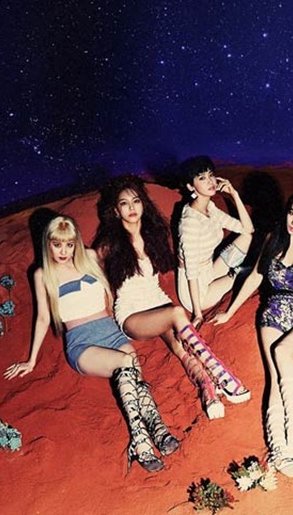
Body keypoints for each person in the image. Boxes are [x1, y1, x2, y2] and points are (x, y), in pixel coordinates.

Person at [4, 215, 178, 472]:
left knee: (134, 371)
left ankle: (158, 429)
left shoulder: (90, 257)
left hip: (111, 332)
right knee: (126, 362)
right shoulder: (43, 275)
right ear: (47, 244)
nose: (63, 251)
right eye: (57, 244)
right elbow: (42, 318)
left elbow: (114, 291)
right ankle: (140, 441)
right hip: (81, 342)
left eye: (69, 244)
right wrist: (31, 360)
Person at [93, 175, 249, 421]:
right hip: (132, 314)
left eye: (136, 201)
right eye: (124, 203)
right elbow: (98, 279)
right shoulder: (109, 245)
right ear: (115, 210)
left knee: (181, 348)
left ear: (143, 204)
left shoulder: (153, 234)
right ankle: (222, 374)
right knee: (177, 313)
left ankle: (208, 390)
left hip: (158, 302)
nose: (131, 207)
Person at [212, 188, 293, 477]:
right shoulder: (273, 238)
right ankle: (279, 446)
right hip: (275, 311)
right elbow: (256, 276)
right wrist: (230, 311)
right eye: (292, 213)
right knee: (275, 375)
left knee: (283, 351)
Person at [177, 156, 254, 328]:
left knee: (247, 238)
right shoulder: (190, 222)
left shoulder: (209, 208)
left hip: (209, 269)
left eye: (211, 175)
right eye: (201, 178)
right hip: (196, 292)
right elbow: (191, 272)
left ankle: (236, 270)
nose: (210, 181)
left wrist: (234, 194)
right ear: (191, 186)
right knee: (246, 275)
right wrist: (197, 313)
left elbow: (247, 230)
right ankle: (237, 272)